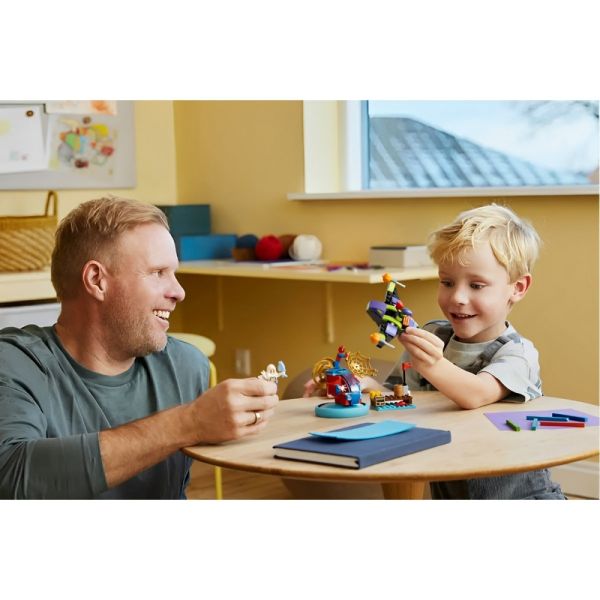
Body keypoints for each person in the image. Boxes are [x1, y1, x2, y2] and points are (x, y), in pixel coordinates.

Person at [0, 197, 279, 499]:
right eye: (158, 272)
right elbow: (10, 475)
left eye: (173, 273)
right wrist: (189, 422)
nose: (179, 292)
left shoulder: (185, 366)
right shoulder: (15, 363)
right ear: (97, 280)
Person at [384, 203, 564, 499]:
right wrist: (360, 387)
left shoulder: (518, 354)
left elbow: (476, 394)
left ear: (517, 288)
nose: (457, 297)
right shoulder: (434, 335)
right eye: (447, 282)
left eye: (477, 285)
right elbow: (397, 398)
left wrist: (432, 365)